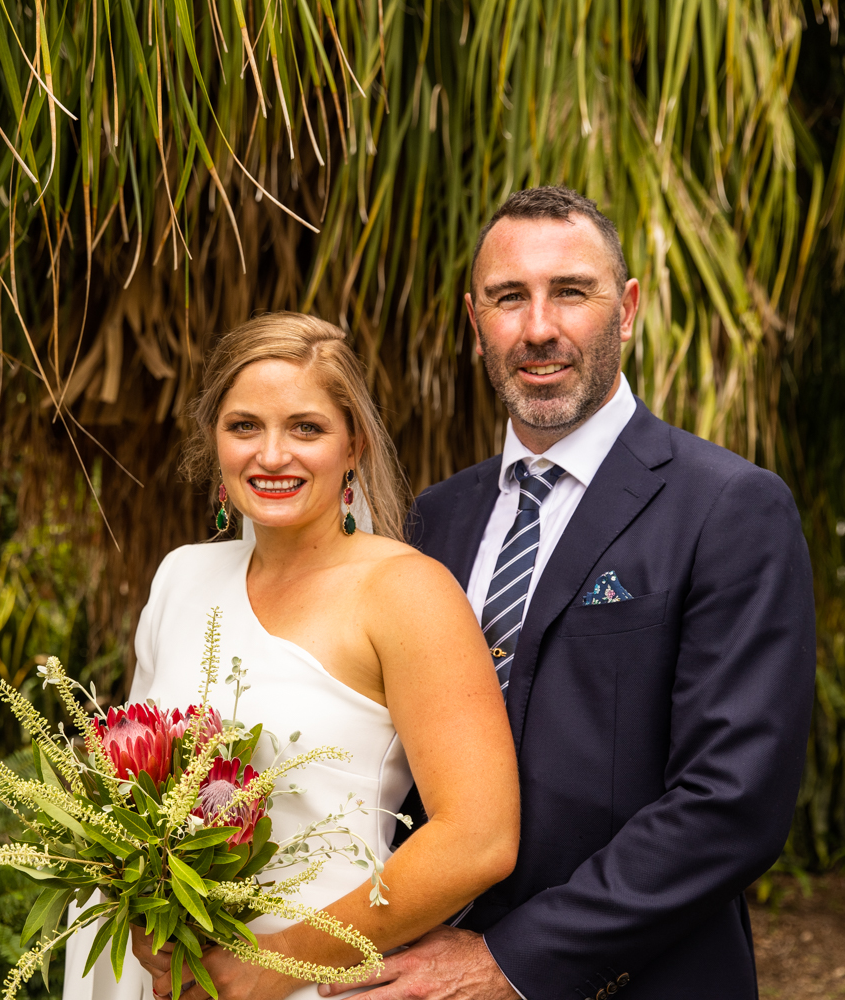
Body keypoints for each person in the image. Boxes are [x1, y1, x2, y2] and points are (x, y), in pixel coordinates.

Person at [335, 186, 816, 1000]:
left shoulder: (730, 507)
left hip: (640, 982)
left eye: (571, 292)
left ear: (626, 308)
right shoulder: (433, 521)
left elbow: (731, 804)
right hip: (421, 977)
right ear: (474, 319)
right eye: (508, 297)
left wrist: (509, 962)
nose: (539, 328)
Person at [62, 313, 521, 1000]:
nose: (272, 455)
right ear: (213, 438)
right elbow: (130, 792)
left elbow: (478, 840)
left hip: (311, 973)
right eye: (244, 426)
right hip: (151, 968)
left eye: (306, 428)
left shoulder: (405, 592)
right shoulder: (181, 577)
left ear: (353, 444)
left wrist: (276, 963)